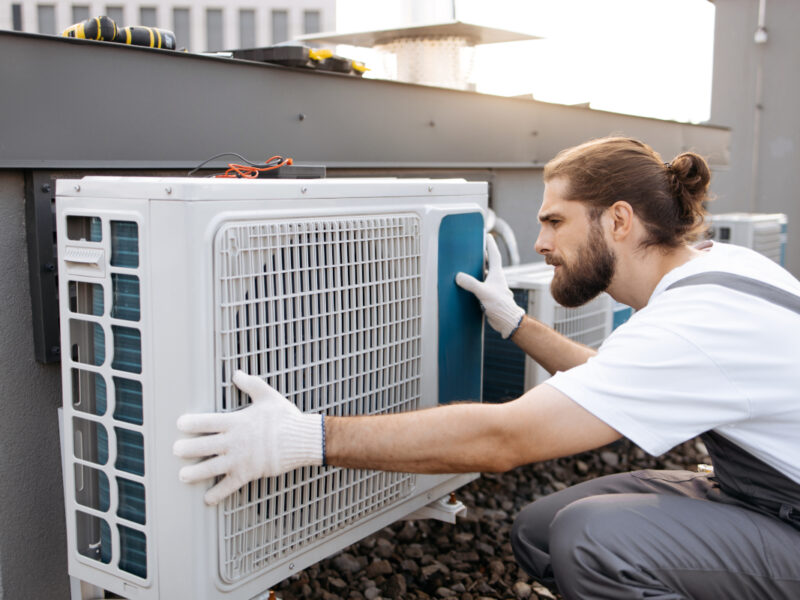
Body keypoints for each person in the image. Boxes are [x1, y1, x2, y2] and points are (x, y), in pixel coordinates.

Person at [174, 137, 800, 599]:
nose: (539, 244)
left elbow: (506, 440)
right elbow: (608, 378)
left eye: (555, 221)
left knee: (592, 540)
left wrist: (303, 438)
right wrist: (513, 323)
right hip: (762, 495)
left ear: (617, 219)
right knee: (540, 528)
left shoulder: (697, 319)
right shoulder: (717, 270)